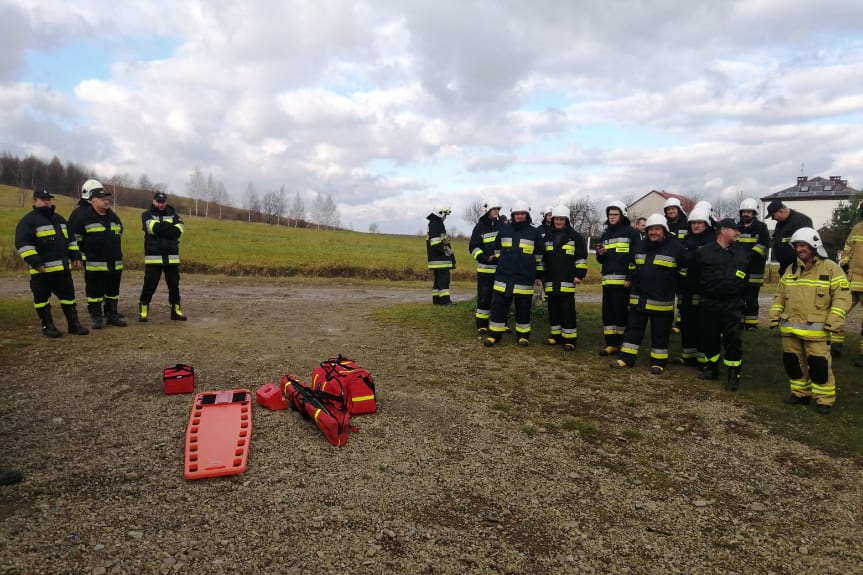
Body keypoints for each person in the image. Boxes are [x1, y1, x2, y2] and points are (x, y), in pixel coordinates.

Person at [769, 227, 851, 414]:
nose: (799, 249)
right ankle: (800, 394)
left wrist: (834, 320)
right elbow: (780, 296)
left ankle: (824, 400)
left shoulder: (831, 268)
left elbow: (842, 297)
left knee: (819, 366)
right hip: (790, 329)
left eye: (803, 245)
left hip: (818, 331)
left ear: (814, 245)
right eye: (797, 245)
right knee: (793, 364)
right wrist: (774, 316)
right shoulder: (791, 270)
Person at [610, 213, 685, 374]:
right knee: (633, 329)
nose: (653, 232)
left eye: (657, 229)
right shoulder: (639, 245)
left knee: (660, 332)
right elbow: (632, 264)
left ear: (664, 230)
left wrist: (675, 285)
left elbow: (684, 271)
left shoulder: (676, 247)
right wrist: (630, 278)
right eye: (650, 229)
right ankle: (627, 358)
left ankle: (658, 362)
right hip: (639, 297)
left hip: (661, 299)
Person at [14, 189, 89, 337]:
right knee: (41, 300)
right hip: (42, 271)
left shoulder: (60, 220)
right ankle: (47, 326)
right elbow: (23, 244)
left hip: (62, 269)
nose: (47, 201)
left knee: (69, 298)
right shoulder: (27, 221)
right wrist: (36, 262)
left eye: (48, 199)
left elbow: (71, 240)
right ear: (35, 201)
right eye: (43, 199)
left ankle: (74, 324)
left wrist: (76, 257)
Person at [689, 219, 749, 391]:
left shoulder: (742, 253)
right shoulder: (704, 252)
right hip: (709, 302)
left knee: (733, 339)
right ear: (723, 230)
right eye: (734, 230)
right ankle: (711, 368)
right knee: (709, 337)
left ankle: (733, 375)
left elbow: (746, 278)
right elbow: (694, 277)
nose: (738, 233)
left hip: (733, 302)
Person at [484, 201, 543, 347]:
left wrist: (537, 275)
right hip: (504, 276)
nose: (519, 216)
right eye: (517, 214)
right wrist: (502, 261)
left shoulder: (534, 233)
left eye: (522, 213)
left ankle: (523, 336)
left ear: (527, 215)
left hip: (524, 277)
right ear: (512, 215)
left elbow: (539, 257)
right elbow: (497, 249)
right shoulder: (504, 230)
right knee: (498, 307)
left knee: (523, 309)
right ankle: (494, 335)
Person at [69, 186, 127, 329]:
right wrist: (81, 256)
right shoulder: (84, 218)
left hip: (114, 262)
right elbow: (76, 240)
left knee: (113, 291)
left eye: (107, 199)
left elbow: (119, 233)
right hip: (94, 263)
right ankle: (96, 316)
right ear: (93, 201)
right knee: (95, 292)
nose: (106, 201)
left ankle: (112, 315)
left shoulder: (113, 216)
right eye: (102, 199)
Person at [595, 201, 640, 356]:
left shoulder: (632, 233)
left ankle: (623, 343)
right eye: (610, 214)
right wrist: (601, 254)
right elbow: (601, 260)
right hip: (608, 281)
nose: (612, 217)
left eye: (615, 214)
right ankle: (611, 344)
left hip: (624, 283)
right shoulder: (605, 234)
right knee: (608, 314)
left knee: (622, 313)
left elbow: (637, 257)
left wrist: (631, 276)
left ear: (622, 215)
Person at [542, 205, 588, 350]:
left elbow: (581, 257)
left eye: (562, 219)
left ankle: (570, 340)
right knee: (553, 308)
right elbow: (542, 258)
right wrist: (539, 275)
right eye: (557, 219)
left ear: (566, 220)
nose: (559, 221)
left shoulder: (575, 237)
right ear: (553, 219)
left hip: (567, 279)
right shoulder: (547, 236)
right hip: (550, 279)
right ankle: (556, 336)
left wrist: (579, 275)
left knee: (567, 310)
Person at [139, 191, 187, 321]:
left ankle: (176, 311)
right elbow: (151, 228)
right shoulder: (146, 215)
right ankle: (143, 311)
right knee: (149, 285)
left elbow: (179, 230)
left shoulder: (174, 215)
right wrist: (169, 228)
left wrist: (161, 229)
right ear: (154, 201)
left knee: (174, 286)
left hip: (171, 258)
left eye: (163, 202)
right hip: (153, 258)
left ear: (166, 202)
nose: (160, 204)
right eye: (158, 202)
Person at [676, 205, 715, 366]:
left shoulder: (712, 241)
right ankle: (688, 356)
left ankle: (703, 359)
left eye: (699, 222)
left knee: (703, 325)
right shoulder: (685, 241)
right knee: (686, 324)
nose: (696, 225)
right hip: (685, 290)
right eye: (693, 223)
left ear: (706, 224)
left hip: (703, 289)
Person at [736, 198, 771, 329]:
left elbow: (763, 246)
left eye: (749, 212)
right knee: (738, 297)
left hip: (754, 269)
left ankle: (751, 324)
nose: (746, 214)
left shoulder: (761, 227)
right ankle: (738, 322)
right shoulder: (737, 227)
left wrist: (747, 256)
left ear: (754, 213)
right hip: (739, 269)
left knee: (751, 298)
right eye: (744, 212)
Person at [468, 199, 502, 333]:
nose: (497, 211)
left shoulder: (502, 225)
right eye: (494, 209)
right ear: (486, 211)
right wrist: (485, 258)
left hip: (501, 269)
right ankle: (482, 324)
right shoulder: (480, 226)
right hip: (485, 269)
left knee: (500, 298)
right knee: (484, 297)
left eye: (498, 209)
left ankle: (499, 323)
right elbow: (473, 247)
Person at [838, 200, 863, 367]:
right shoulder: (857, 228)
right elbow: (847, 248)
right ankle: (834, 344)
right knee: (838, 311)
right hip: (853, 280)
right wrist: (845, 261)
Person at [767, 199, 813, 276]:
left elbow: (806, 245)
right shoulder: (780, 224)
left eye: (773, 216)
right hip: (785, 267)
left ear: (780, 211)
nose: (773, 219)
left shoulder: (801, 220)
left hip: (798, 268)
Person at [425, 206, 456, 305]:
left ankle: (437, 300)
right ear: (440, 213)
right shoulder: (435, 224)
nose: (446, 217)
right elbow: (436, 243)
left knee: (438, 280)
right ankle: (445, 301)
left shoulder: (436, 223)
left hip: (438, 259)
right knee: (444, 279)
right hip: (440, 259)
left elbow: (442, 241)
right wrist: (447, 253)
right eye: (445, 215)